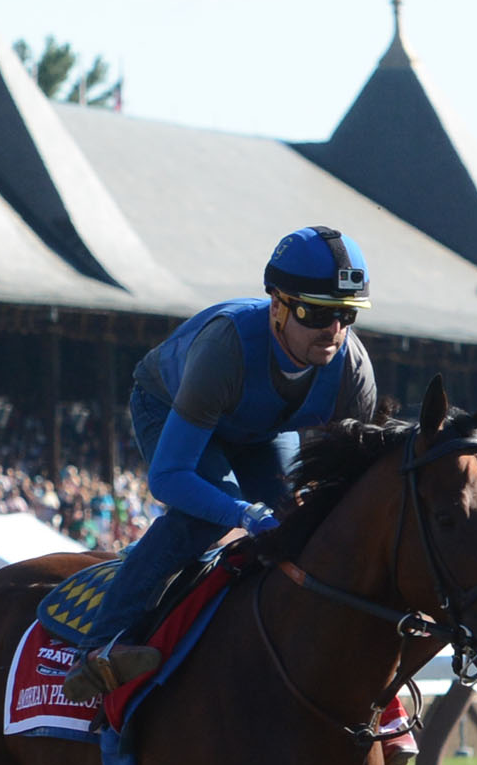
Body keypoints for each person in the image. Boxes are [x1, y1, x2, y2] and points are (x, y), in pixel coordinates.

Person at [67, 225, 380, 704]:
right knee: (201, 517)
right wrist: (240, 513)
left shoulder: (353, 371)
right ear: (277, 306)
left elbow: (356, 489)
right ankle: (97, 649)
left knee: (297, 523)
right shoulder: (225, 350)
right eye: (317, 313)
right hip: (167, 404)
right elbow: (170, 478)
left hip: (262, 429)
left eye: (346, 315)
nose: (333, 331)